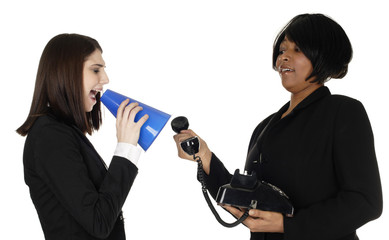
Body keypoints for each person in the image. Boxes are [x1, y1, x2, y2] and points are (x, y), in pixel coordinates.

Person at [173, 13, 382, 240]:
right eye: (282, 50)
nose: (283, 58)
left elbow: (365, 201)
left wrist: (287, 225)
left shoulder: (343, 112)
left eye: (297, 50)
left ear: (322, 55)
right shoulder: (264, 127)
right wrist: (204, 155)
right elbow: (248, 200)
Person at [16, 33, 149, 240]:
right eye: (96, 70)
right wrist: (125, 149)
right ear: (66, 72)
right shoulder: (49, 135)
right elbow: (99, 222)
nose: (105, 79)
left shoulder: (62, 131)